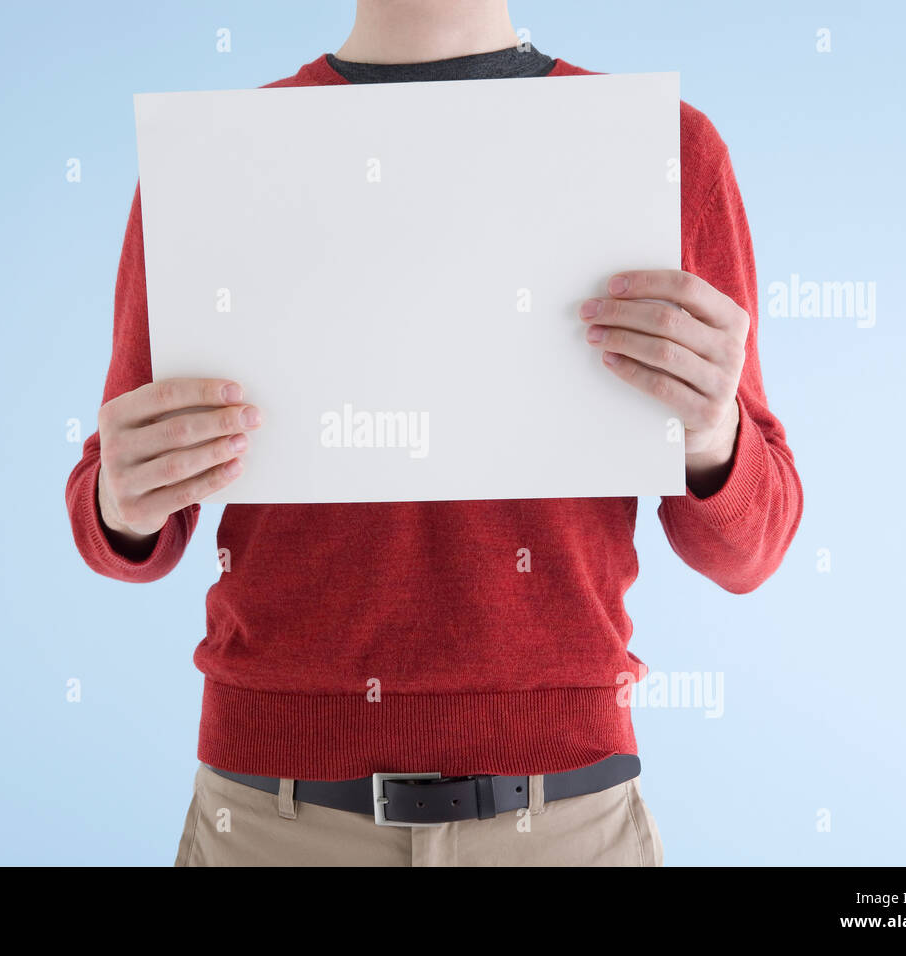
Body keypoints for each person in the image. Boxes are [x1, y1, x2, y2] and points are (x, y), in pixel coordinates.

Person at [65, 0, 803, 866]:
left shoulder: (665, 149)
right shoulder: (215, 164)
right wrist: (122, 500)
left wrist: (714, 431)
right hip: (271, 816)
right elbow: (110, 519)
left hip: (564, 814)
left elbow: (752, 547)